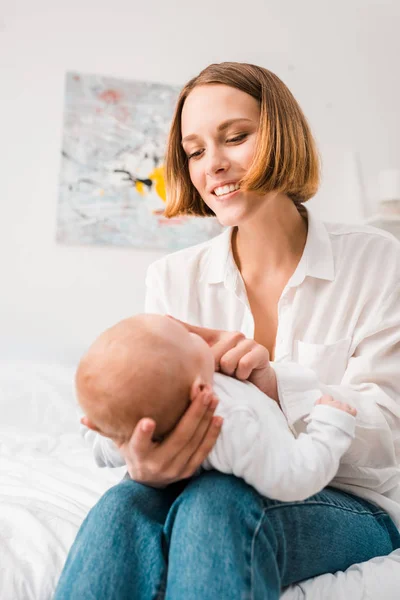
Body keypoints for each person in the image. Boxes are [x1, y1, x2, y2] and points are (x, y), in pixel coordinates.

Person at [55, 62, 400, 600]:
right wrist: (144, 461)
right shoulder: (172, 278)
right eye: (194, 152)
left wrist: (278, 385)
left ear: (282, 136)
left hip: (351, 499)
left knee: (218, 501)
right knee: (122, 504)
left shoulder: (376, 260)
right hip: (200, 483)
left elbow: (390, 436)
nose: (212, 164)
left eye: (235, 137)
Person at [76, 313, 357, 502]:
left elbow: (110, 447)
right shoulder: (232, 423)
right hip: (250, 498)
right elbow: (296, 475)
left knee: (122, 500)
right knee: (123, 501)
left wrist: (107, 429)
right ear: (200, 389)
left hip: (193, 501)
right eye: (187, 338)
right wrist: (330, 425)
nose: (197, 335)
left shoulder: (148, 421)